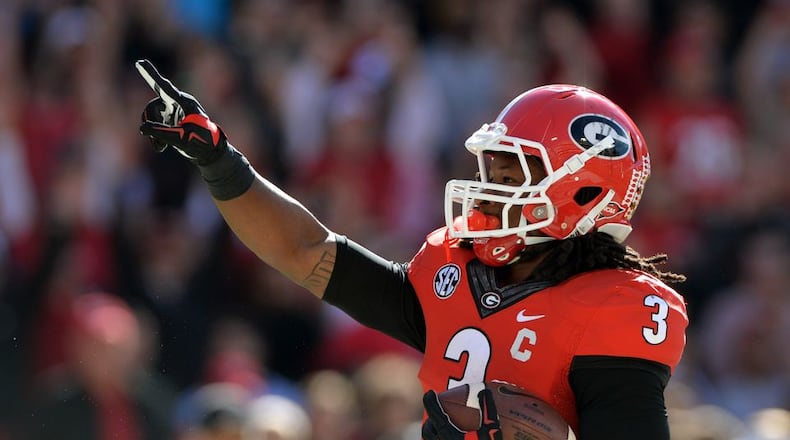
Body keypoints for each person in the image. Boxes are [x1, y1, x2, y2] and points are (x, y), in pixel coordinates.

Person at [135, 59, 688, 439]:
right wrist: (220, 162)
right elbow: (308, 251)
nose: (489, 187)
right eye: (491, 166)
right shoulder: (458, 270)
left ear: (584, 192)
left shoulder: (617, 308)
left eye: (512, 171)